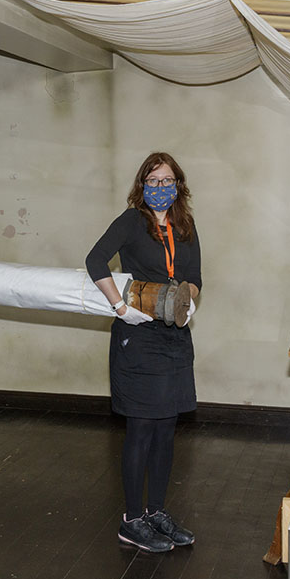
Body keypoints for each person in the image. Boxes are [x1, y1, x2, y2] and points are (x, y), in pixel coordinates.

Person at [86, 152, 201, 553]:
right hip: (138, 337)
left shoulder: (184, 227)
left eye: (167, 180)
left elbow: (195, 279)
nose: (159, 188)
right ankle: (131, 521)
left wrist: (187, 306)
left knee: (166, 430)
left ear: (178, 185)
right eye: (152, 181)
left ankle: (156, 513)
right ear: (141, 186)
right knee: (141, 430)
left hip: (173, 338)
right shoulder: (132, 222)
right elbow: (95, 260)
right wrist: (120, 307)